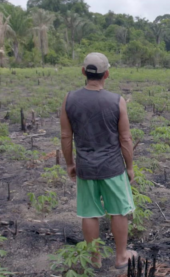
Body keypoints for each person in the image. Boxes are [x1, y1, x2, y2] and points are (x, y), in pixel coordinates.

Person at [60, 52, 137, 269]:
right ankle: (121, 256)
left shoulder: (69, 99)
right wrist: (129, 166)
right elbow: (125, 138)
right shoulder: (117, 101)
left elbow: (66, 136)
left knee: (89, 214)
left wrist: (69, 163)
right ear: (107, 74)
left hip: (85, 167)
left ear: (83, 72)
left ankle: (94, 259)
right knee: (119, 211)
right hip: (112, 167)